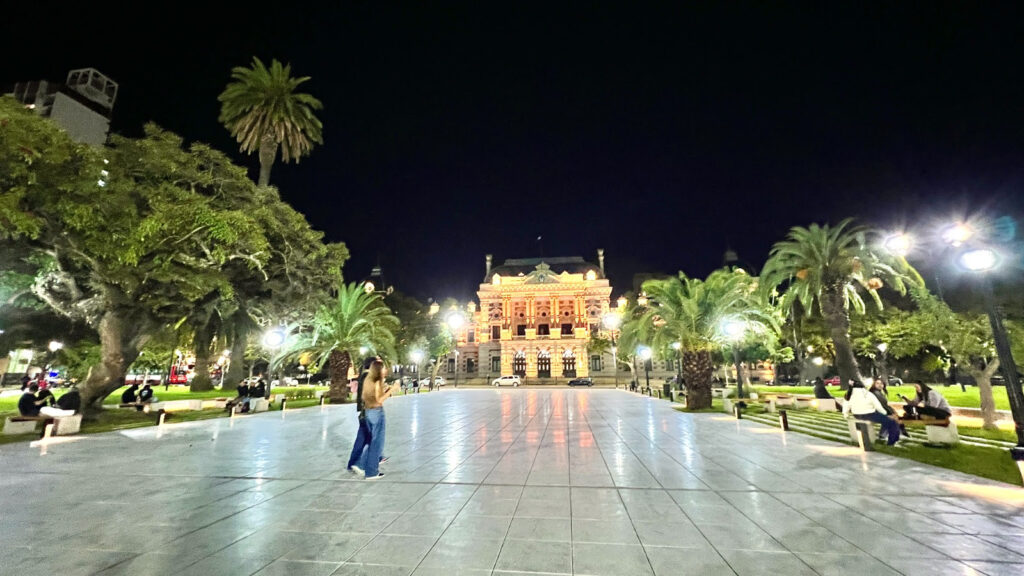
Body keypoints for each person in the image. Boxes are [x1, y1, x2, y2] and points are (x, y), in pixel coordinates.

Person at [356, 360, 392, 480]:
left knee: (372, 440)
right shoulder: (377, 381)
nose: (385, 370)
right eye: (383, 368)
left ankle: (361, 465)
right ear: (379, 370)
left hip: (368, 412)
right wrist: (392, 390)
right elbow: (379, 400)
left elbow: (365, 396)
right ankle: (371, 472)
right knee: (377, 443)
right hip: (377, 412)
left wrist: (384, 390)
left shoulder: (368, 380)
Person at [843, 380, 901, 445]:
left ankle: (882, 436)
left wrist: (845, 414)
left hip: (856, 415)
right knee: (892, 422)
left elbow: (845, 406)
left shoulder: (848, 394)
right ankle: (891, 442)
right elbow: (878, 407)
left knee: (886, 420)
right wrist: (885, 414)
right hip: (869, 415)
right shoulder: (868, 394)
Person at [348, 356, 378, 475]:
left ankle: (352, 463)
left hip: (364, 412)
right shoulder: (368, 376)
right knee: (373, 439)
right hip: (368, 411)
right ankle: (359, 463)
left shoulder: (363, 376)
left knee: (361, 439)